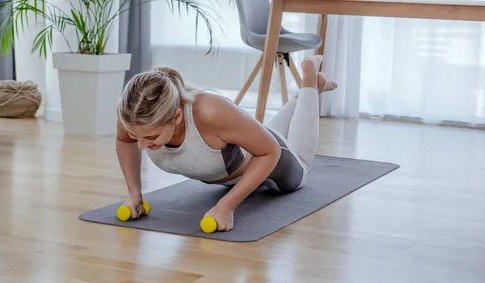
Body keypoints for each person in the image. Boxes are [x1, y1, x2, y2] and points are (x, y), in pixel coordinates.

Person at [115, 55, 337, 232]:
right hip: (246, 148)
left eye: (151, 138)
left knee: (301, 170)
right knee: (267, 134)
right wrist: (135, 194)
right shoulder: (134, 112)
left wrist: (226, 206)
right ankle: (310, 89)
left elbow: (270, 150)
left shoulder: (210, 111)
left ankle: (309, 82)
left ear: (177, 117)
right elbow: (124, 140)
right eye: (136, 136)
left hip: (269, 162)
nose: (142, 146)